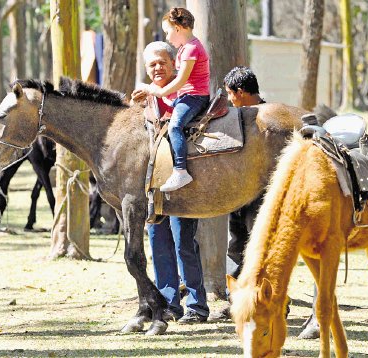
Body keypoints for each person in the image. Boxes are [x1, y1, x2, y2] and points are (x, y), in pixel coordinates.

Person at [131, 41, 209, 324]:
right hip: (153, 185)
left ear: (175, 63)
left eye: (162, 62)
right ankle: (169, 304)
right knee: (157, 243)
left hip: (181, 184)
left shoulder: (187, 96)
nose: (157, 68)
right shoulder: (145, 100)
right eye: (151, 64)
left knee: (183, 242)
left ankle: (197, 306)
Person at [210, 66, 266, 320]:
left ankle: (274, 301)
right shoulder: (233, 116)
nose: (230, 99)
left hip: (261, 198)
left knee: (262, 249)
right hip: (238, 195)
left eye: (231, 94)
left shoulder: (269, 119)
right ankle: (237, 301)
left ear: (240, 92)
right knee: (236, 248)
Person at [138, 7, 210, 192]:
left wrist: (158, 92)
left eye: (168, 32)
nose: (168, 37)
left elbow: (180, 81)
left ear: (178, 28)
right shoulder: (185, 49)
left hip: (194, 96)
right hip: (187, 94)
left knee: (175, 126)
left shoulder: (191, 49)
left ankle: (180, 170)